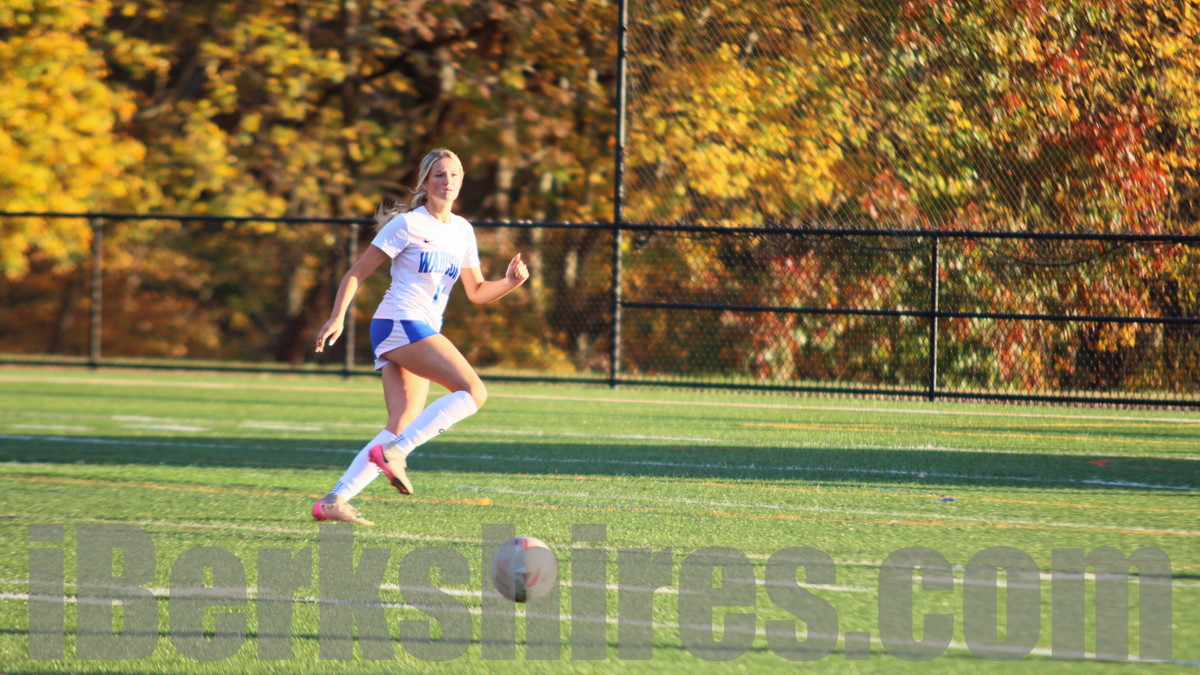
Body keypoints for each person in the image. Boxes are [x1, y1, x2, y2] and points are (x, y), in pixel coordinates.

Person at [311, 148, 529, 525]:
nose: (448, 181)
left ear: (462, 181)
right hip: (400, 320)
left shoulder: (462, 230)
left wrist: (510, 283)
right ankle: (396, 453)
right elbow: (357, 273)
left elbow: (477, 292)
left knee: (400, 423)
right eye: (439, 175)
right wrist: (337, 317)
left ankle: (334, 499)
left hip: (417, 327)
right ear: (425, 182)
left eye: (454, 175)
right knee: (474, 391)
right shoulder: (407, 224)